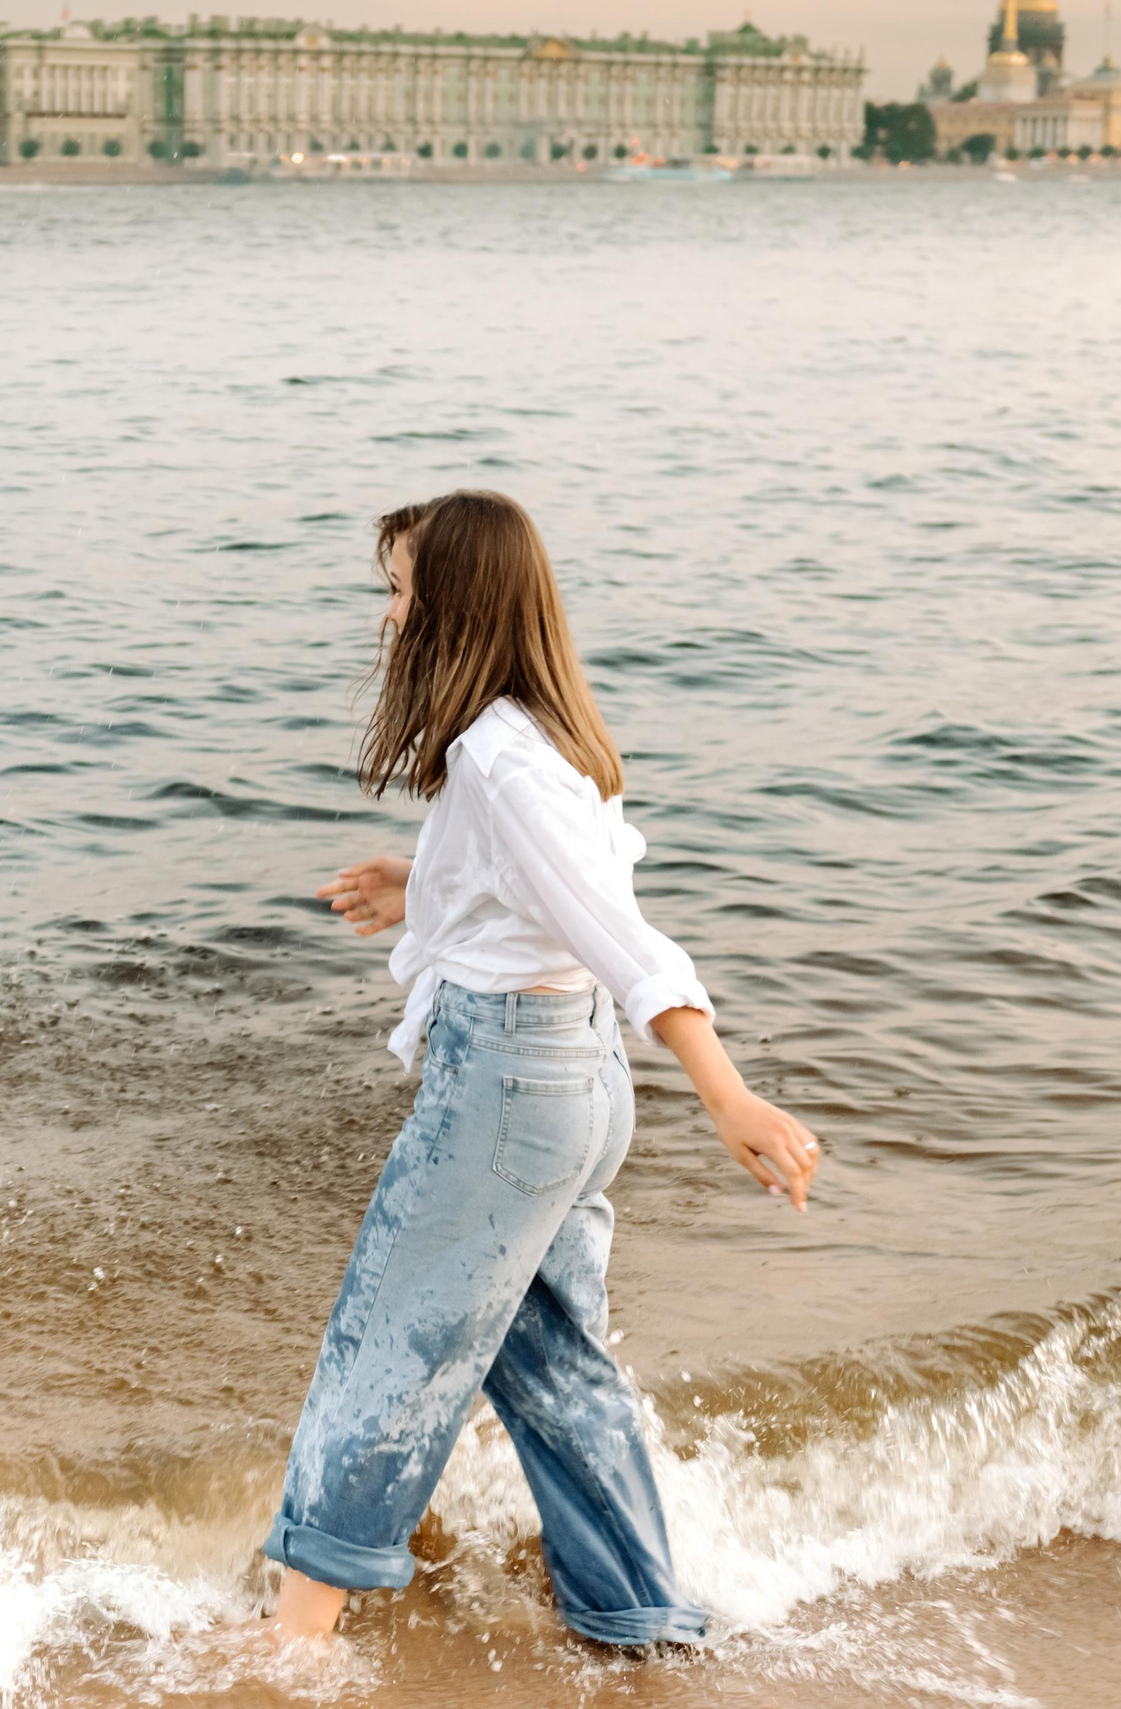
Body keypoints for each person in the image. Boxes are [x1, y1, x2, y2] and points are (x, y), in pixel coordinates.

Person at [263, 491, 822, 1649]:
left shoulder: (499, 758)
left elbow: (618, 934)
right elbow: (551, 906)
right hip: (570, 1085)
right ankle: (633, 1610)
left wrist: (726, 1091)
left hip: (506, 1095)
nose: (387, 616)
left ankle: (287, 1643)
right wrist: (422, 888)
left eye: (402, 591)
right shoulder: (543, 735)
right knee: (554, 1361)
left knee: (388, 1341)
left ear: (452, 609)